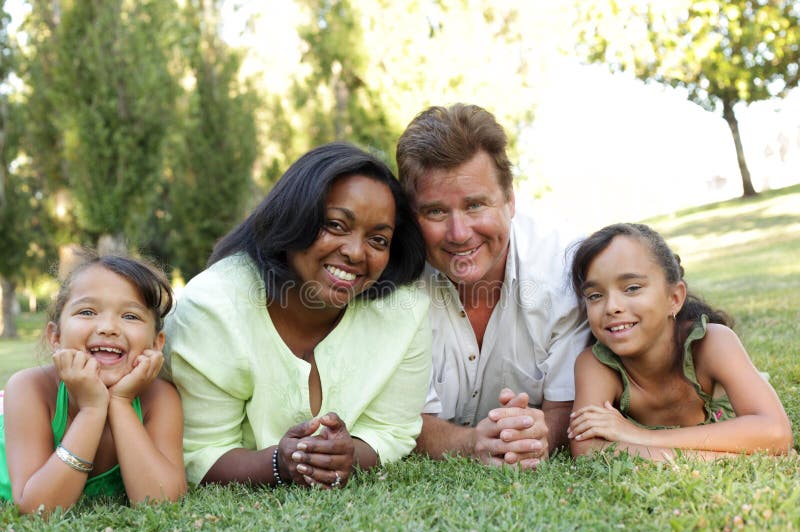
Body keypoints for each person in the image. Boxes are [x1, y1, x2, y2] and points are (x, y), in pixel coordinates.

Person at [163, 142, 430, 489]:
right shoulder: (214, 308)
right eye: (335, 225)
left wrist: (349, 455)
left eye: (378, 240)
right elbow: (201, 452)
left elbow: (392, 431)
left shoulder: (404, 312)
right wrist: (278, 464)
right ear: (295, 215)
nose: (354, 252)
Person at [396, 104, 590, 469]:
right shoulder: (392, 282)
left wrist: (539, 434)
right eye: (436, 211)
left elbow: (565, 406)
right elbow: (398, 419)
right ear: (412, 216)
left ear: (510, 200)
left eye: (475, 205)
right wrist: (470, 444)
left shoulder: (564, 268)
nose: (458, 233)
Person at [567, 223, 793, 460]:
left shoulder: (712, 342)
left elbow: (776, 433)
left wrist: (639, 435)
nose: (612, 307)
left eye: (632, 288)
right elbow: (586, 450)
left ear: (674, 298)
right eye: (595, 295)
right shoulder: (595, 365)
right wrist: (731, 458)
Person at [0, 255, 187, 514]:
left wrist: (120, 403)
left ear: (157, 343)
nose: (108, 327)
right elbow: (37, 509)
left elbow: (163, 503)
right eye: (87, 312)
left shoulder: (159, 398)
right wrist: (92, 410)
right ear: (55, 336)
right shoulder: (30, 388)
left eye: (130, 316)